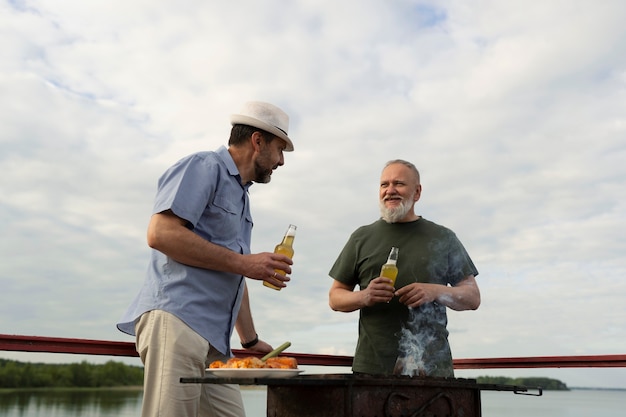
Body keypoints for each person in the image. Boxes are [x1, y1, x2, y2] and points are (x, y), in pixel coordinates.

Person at [116, 101, 296, 417]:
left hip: (215, 342)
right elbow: (160, 234)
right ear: (257, 141)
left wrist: (250, 340)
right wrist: (246, 263)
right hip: (177, 322)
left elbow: (232, 270)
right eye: (280, 149)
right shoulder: (204, 166)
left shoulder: (242, 196)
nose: (280, 161)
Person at [328, 159, 480, 378]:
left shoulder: (444, 238)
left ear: (417, 192)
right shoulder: (361, 237)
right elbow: (335, 297)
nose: (390, 191)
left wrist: (435, 291)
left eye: (399, 184)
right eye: (384, 185)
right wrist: (365, 296)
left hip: (432, 371)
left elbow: (472, 297)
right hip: (372, 369)